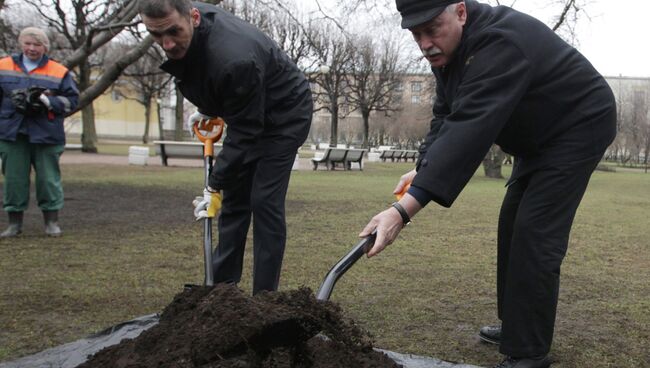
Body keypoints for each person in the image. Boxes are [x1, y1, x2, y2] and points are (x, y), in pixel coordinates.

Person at [359, 1, 616, 367]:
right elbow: (447, 116)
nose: (425, 43)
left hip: (578, 125)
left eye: (432, 29)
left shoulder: (498, 45)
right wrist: (424, 168)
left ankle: (528, 352)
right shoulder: (453, 53)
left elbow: (471, 127)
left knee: (536, 231)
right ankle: (517, 323)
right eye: (416, 34)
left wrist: (403, 210)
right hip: (537, 135)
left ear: (460, 12)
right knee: (512, 224)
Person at [138, 0, 312, 294]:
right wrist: (208, 107)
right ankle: (222, 290)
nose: (166, 44)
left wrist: (214, 183)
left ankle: (265, 298)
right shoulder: (191, 27)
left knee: (264, 201)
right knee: (234, 201)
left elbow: (245, 132)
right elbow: (205, 75)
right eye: (156, 36)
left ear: (193, 17)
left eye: (173, 32)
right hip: (250, 107)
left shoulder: (234, 58)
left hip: (285, 115)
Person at [0, 27, 79, 238]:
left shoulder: (59, 71)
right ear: (20, 44)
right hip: (12, 132)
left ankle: (51, 222)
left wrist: (47, 101)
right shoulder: (3, 66)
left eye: (37, 45)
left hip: (46, 133)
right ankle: (14, 224)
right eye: (27, 43)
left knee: (48, 179)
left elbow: (72, 101)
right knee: (14, 180)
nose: (31, 48)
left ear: (45, 47)